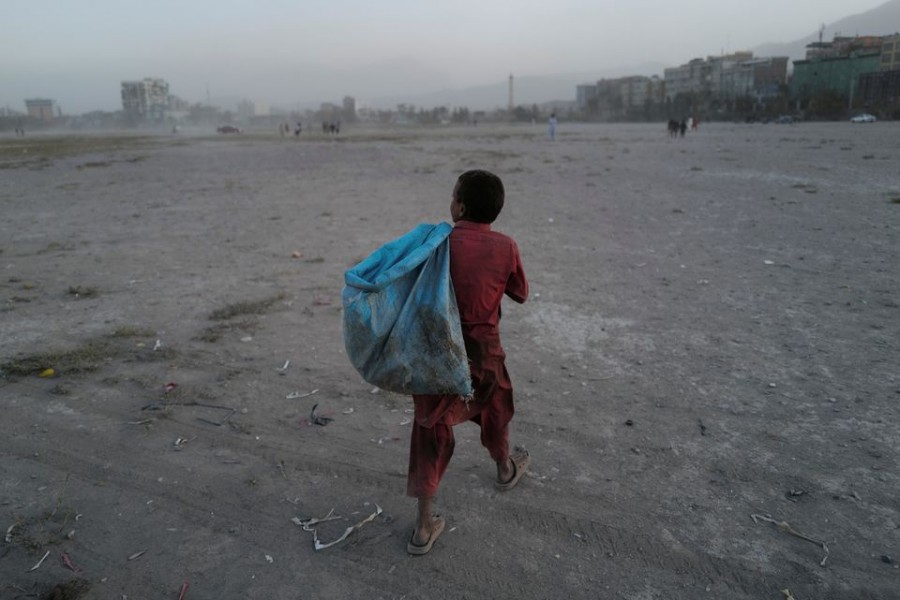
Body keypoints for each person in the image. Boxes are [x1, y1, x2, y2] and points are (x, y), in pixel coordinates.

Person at [406, 169, 530, 556]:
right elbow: (520, 293)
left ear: (459, 205)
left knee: (431, 426)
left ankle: (424, 527)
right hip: (484, 351)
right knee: (496, 406)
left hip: (439, 353)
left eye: (452, 196)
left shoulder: (439, 242)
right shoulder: (506, 246)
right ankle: (504, 468)